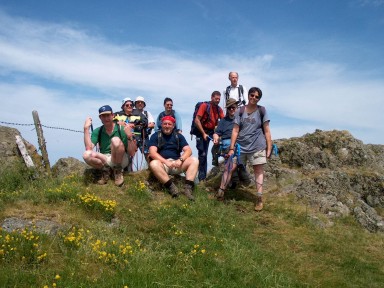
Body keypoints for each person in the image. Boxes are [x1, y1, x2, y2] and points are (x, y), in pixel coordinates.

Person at [227, 87, 272, 211]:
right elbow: (235, 130)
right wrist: (231, 148)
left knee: (258, 170)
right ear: (248, 95)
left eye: (257, 96)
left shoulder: (262, 110)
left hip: (257, 146)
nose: (253, 98)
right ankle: (221, 191)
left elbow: (267, 130)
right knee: (229, 167)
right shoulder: (240, 110)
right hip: (241, 146)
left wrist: (269, 147)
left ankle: (259, 198)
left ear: (259, 99)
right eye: (252, 95)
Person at [148, 115, 199, 200]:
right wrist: (166, 162)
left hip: (177, 163)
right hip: (163, 165)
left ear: (173, 126)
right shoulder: (156, 135)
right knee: (153, 163)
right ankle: (171, 187)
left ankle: (188, 189)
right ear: (161, 125)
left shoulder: (178, 136)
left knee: (194, 160)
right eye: (165, 124)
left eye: (169, 124)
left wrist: (180, 160)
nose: (167, 126)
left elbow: (188, 150)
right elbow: (152, 152)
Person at [83, 105, 133, 186]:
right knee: (86, 155)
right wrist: (86, 129)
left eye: (108, 115)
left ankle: (118, 171)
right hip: (106, 159)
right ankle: (106, 170)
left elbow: (131, 153)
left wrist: (130, 137)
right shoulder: (98, 131)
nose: (106, 118)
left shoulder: (122, 129)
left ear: (112, 115)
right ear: (100, 117)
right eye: (103, 116)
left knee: (115, 140)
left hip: (121, 159)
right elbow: (89, 148)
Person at [212, 98, 240, 200]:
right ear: (227, 109)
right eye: (229, 108)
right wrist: (215, 136)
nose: (232, 109)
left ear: (237, 108)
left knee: (231, 166)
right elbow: (217, 132)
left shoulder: (241, 119)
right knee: (230, 166)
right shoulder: (223, 121)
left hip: (238, 144)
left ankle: (225, 187)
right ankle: (222, 190)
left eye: (233, 107)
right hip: (226, 145)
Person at [194, 91, 224, 181]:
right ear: (212, 97)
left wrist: (217, 134)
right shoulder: (204, 106)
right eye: (216, 98)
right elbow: (197, 120)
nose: (217, 100)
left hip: (211, 131)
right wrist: (203, 133)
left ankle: (215, 159)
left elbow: (224, 121)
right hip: (201, 130)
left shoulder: (219, 109)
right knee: (203, 154)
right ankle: (202, 178)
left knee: (221, 142)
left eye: (219, 99)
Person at [114, 97, 148, 170]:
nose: (129, 106)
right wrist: (118, 122)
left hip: (137, 137)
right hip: (123, 137)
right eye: (127, 105)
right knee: (127, 156)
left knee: (147, 153)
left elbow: (145, 122)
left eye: (131, 105)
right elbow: (110, 121)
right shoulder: (117, 114)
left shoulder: (138, 113)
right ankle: (127, 172)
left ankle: (150, 170)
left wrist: (134, 124)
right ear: (123, 106)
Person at [134, 96, 155, 162]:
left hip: (144, 136)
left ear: (144, 104)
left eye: (141, 102)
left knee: (147, 154)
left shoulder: (147, 113)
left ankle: (151, 169)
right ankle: (128, 171)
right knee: (130, 154)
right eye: (138, 102)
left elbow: (152, 124)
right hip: (133, 136)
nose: (140, 104)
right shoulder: (131, 114)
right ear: (135, 104)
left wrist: (143, 126)